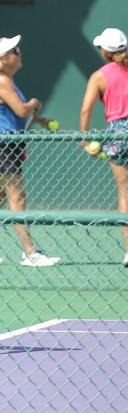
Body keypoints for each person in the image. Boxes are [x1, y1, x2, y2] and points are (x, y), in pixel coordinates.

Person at [0, 35, 60, 267]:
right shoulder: (1, 81)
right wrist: (34, 103)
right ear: (4, 59)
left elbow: (16, 114)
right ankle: (30, 252)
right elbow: (20, 110)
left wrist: (39, 119)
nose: (19, 53)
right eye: (14, 50)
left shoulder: (7, 80)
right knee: (18, 198)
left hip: (2, 148)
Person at [79, 26, 128, 267]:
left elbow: (86, 109)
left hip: (118, 134)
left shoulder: (99, 76)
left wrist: (85, 140)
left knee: (125, 193)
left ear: (105, 52)